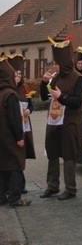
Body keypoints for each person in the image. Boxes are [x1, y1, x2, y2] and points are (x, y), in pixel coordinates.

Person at [39, 36, 82, 201]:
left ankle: (70, 188)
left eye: (57, 63)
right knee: (52, 153)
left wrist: (62, 96)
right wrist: (44, 83)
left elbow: (77, 101)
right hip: (54, 122)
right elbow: (45, 97)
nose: (54, 66)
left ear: (64, 61)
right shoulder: (55, 77)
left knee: (68, 155)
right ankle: (52, 186)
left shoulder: (78, 78)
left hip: (69, 123)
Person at [0, 56, 30, 207]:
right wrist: (19, 137)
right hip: (10, 136)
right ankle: (15, 197)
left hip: (2, 137)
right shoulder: (10, 95)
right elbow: (14, 118)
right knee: (17, 165)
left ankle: (1, 197)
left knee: (3, 165)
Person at [7, 54, 36, 194]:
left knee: (22, 156)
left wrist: (28, 111)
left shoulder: (24, 88)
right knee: (15, 157)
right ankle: (15, 186)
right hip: (13, 128)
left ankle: (20, 184)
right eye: (15, 74)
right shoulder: (8, 90)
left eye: (19, 74)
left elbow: (31, 105)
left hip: (24, 125)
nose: (18, 77)